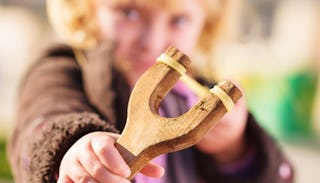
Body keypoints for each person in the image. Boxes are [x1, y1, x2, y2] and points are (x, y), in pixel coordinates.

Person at [7, 0, 293, 182]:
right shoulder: (65, 67)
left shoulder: (203, 95)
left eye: (178, 20)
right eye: (128, 12)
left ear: (206, 23)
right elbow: (43, 118)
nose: (152, 41)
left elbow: (283, 175)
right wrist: (76, 149)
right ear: (87, 9)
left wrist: (234, 148)